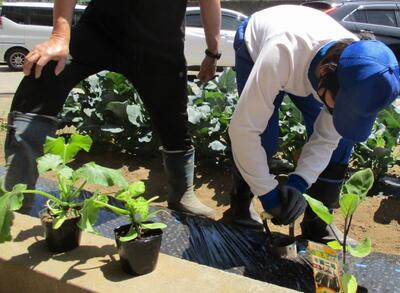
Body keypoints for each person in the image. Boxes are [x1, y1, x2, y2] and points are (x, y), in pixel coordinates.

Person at [4, 0, 221, 218]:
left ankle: (182, 193)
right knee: (44, 71)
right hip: (100, 31)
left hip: (159, 44)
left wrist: (213, 53)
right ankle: (17, 194)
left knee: (173, 117)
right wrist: (60, 36)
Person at [228, 5, 399, 244]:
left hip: (309, 65)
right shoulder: (282, 52)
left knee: (343, 140)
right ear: (324, 73)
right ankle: (240, 205)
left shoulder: (359, 70)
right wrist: (268, 195)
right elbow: (243, 130)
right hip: (258, 42)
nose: (338, 114)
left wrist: (298, 184)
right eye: (336, 107)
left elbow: (327, 138)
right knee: (263, 136)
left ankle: (317, 222)